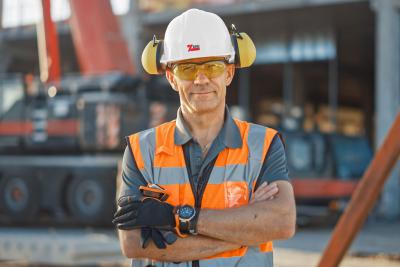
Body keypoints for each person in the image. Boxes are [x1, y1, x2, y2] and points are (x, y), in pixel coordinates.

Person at [113, 8, 296, 267]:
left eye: (212, 66)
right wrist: (246, 231)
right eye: (187, 69)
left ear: (229, 73)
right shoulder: (142, 150)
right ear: (171, 78)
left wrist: (179, 217)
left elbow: (282, 222)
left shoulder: (263, 145)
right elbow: (132, 244)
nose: (201, 79)